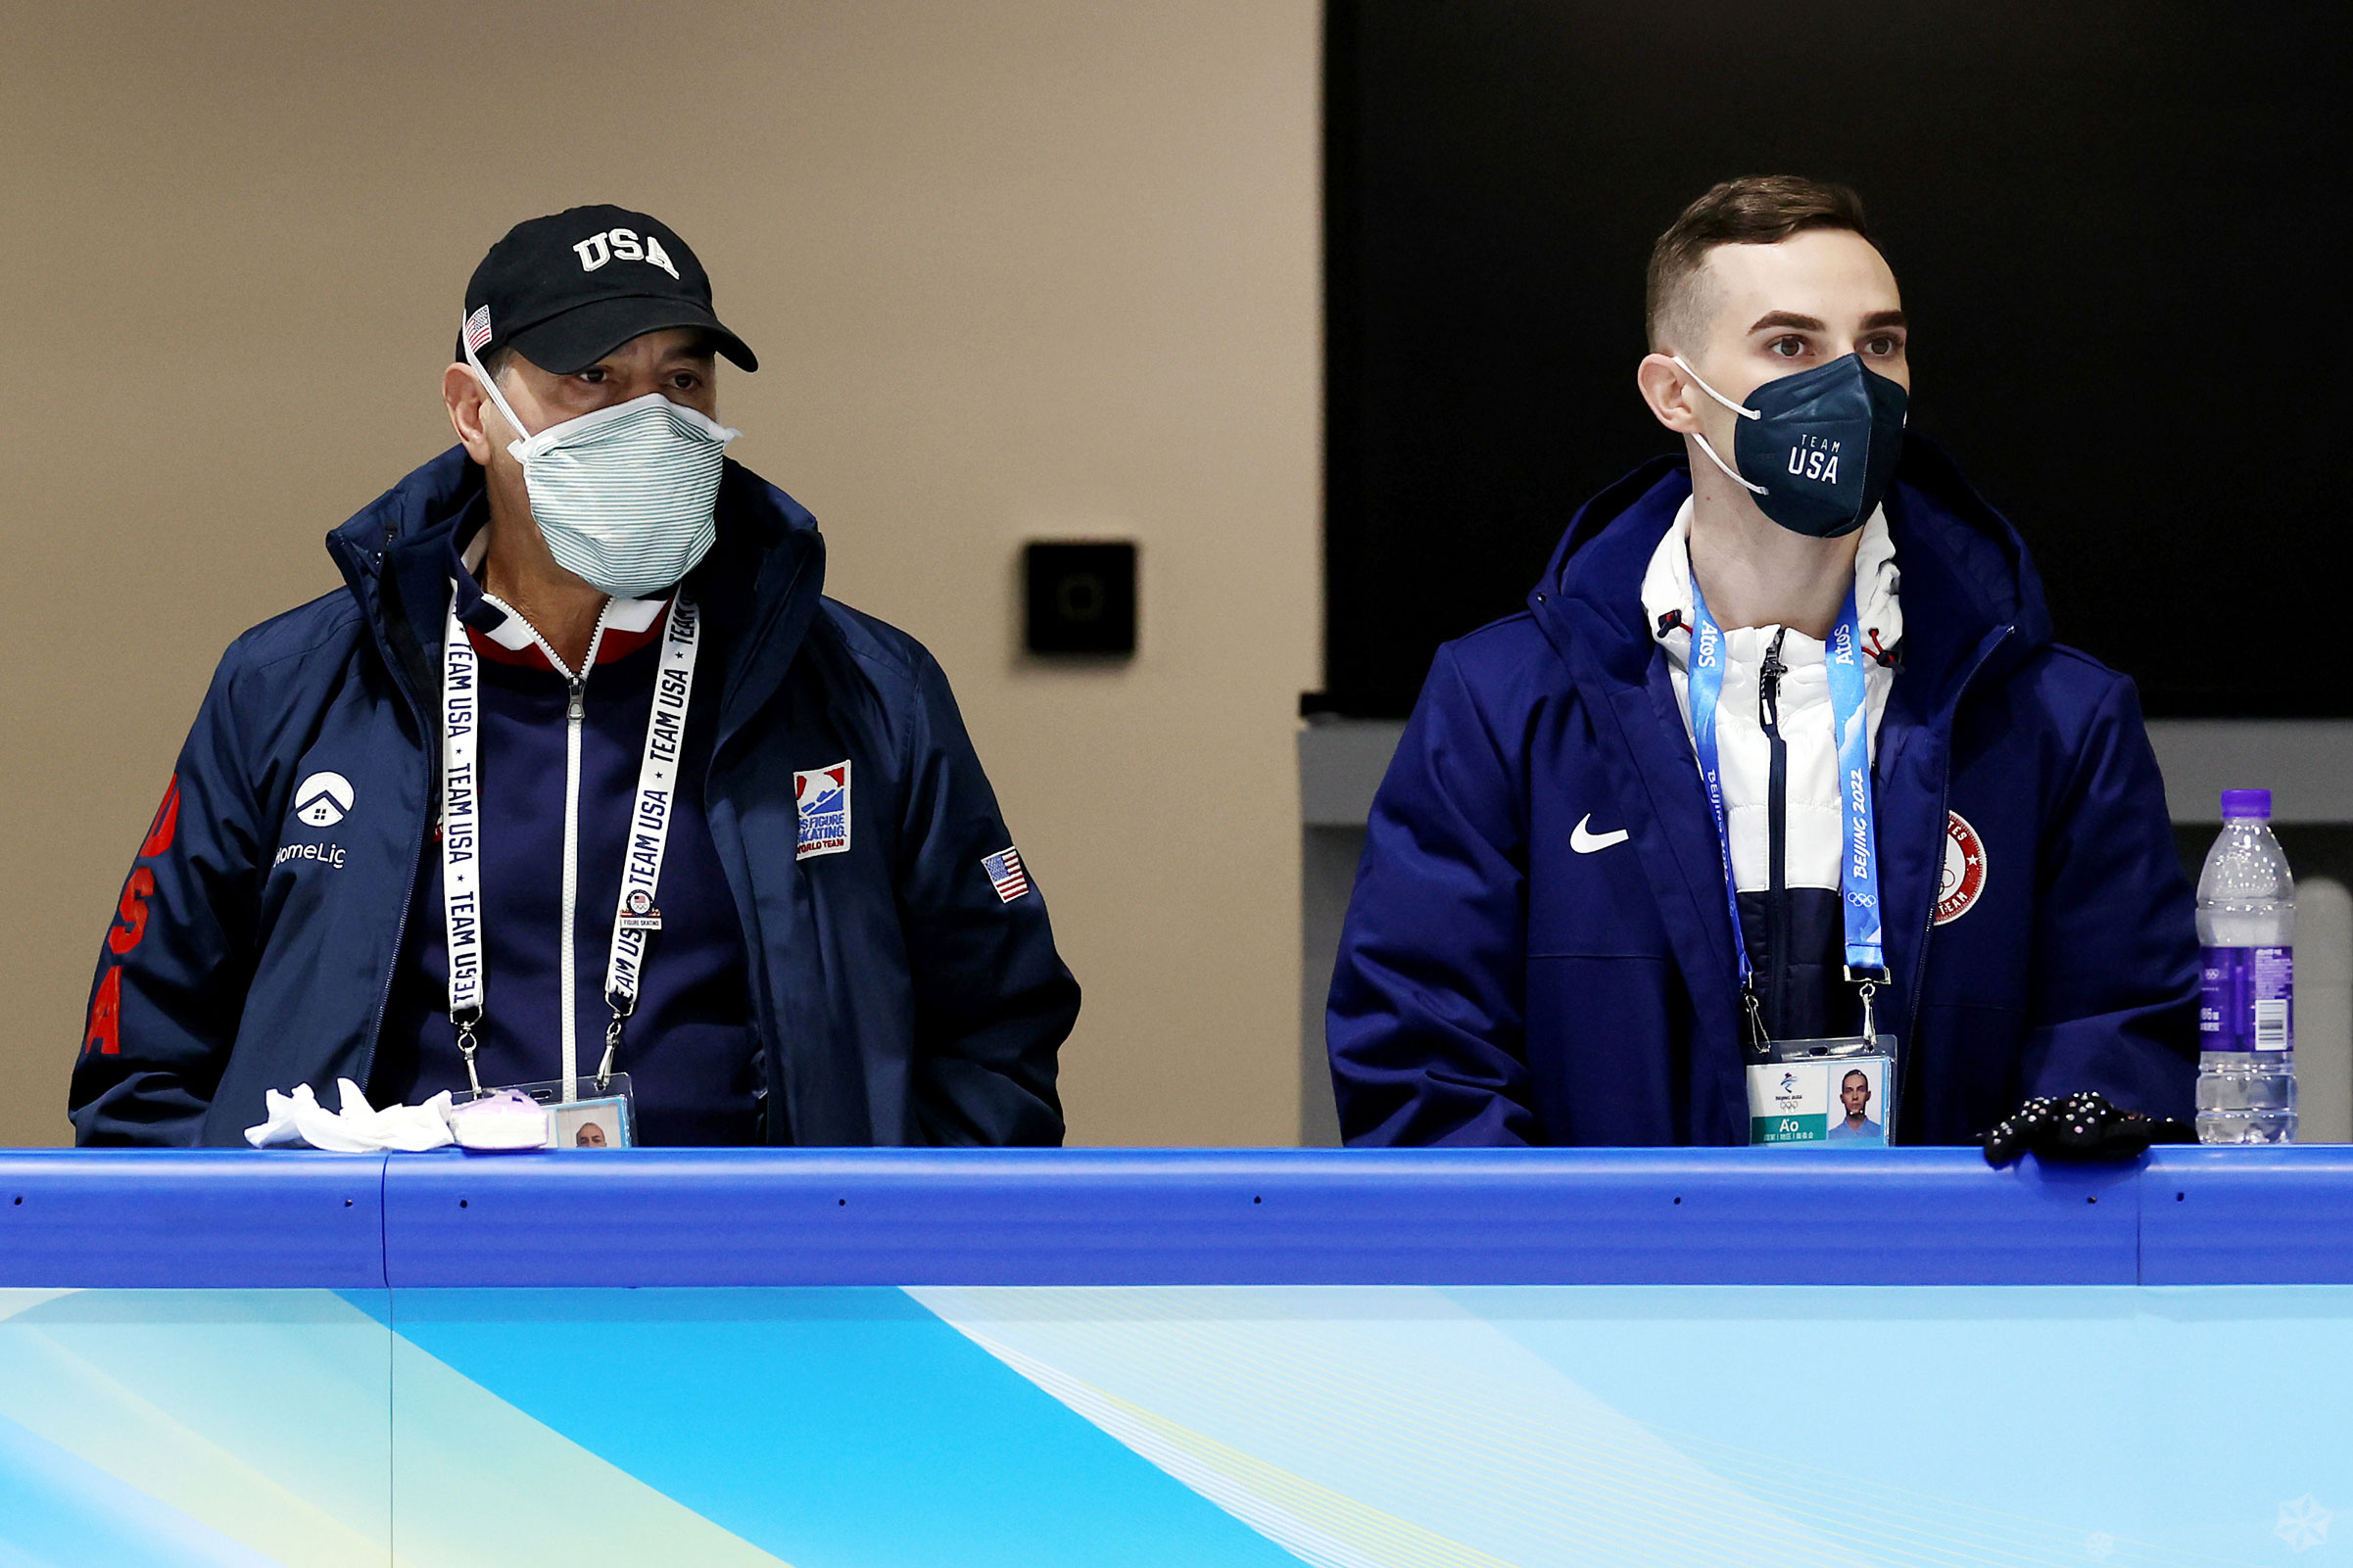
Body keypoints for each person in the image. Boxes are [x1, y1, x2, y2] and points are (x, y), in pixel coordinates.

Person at [72, 205, 1079, 1148]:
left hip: (758, 1307)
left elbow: (998, 1027)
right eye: (593, 378)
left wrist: (875, 1263)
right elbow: (141, 1056)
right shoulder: (287, 686)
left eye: (683, 383)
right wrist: (257, 1277)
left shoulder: (866, 689)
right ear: (473, 411)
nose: (652, 420)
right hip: (384, 1305)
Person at [1327, 176, 2196, 1146]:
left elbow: (2119, 1033)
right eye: (1791, 345)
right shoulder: (1498, 705)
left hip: (1947, 1288)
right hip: (1608, 1290)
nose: (1849, 386)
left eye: (1878, 345)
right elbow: (1421, 1059)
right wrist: (1573, 1283)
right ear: (1673, 394)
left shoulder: (2055, 717)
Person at [1824, 1069, 1881, 1142]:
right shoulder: (1829, 1138)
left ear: (1868, 1095)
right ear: (1842, 1098)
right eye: (1848, 1091)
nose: (1855, 1097)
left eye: (1860, 1090)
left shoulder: (1882, 1134)